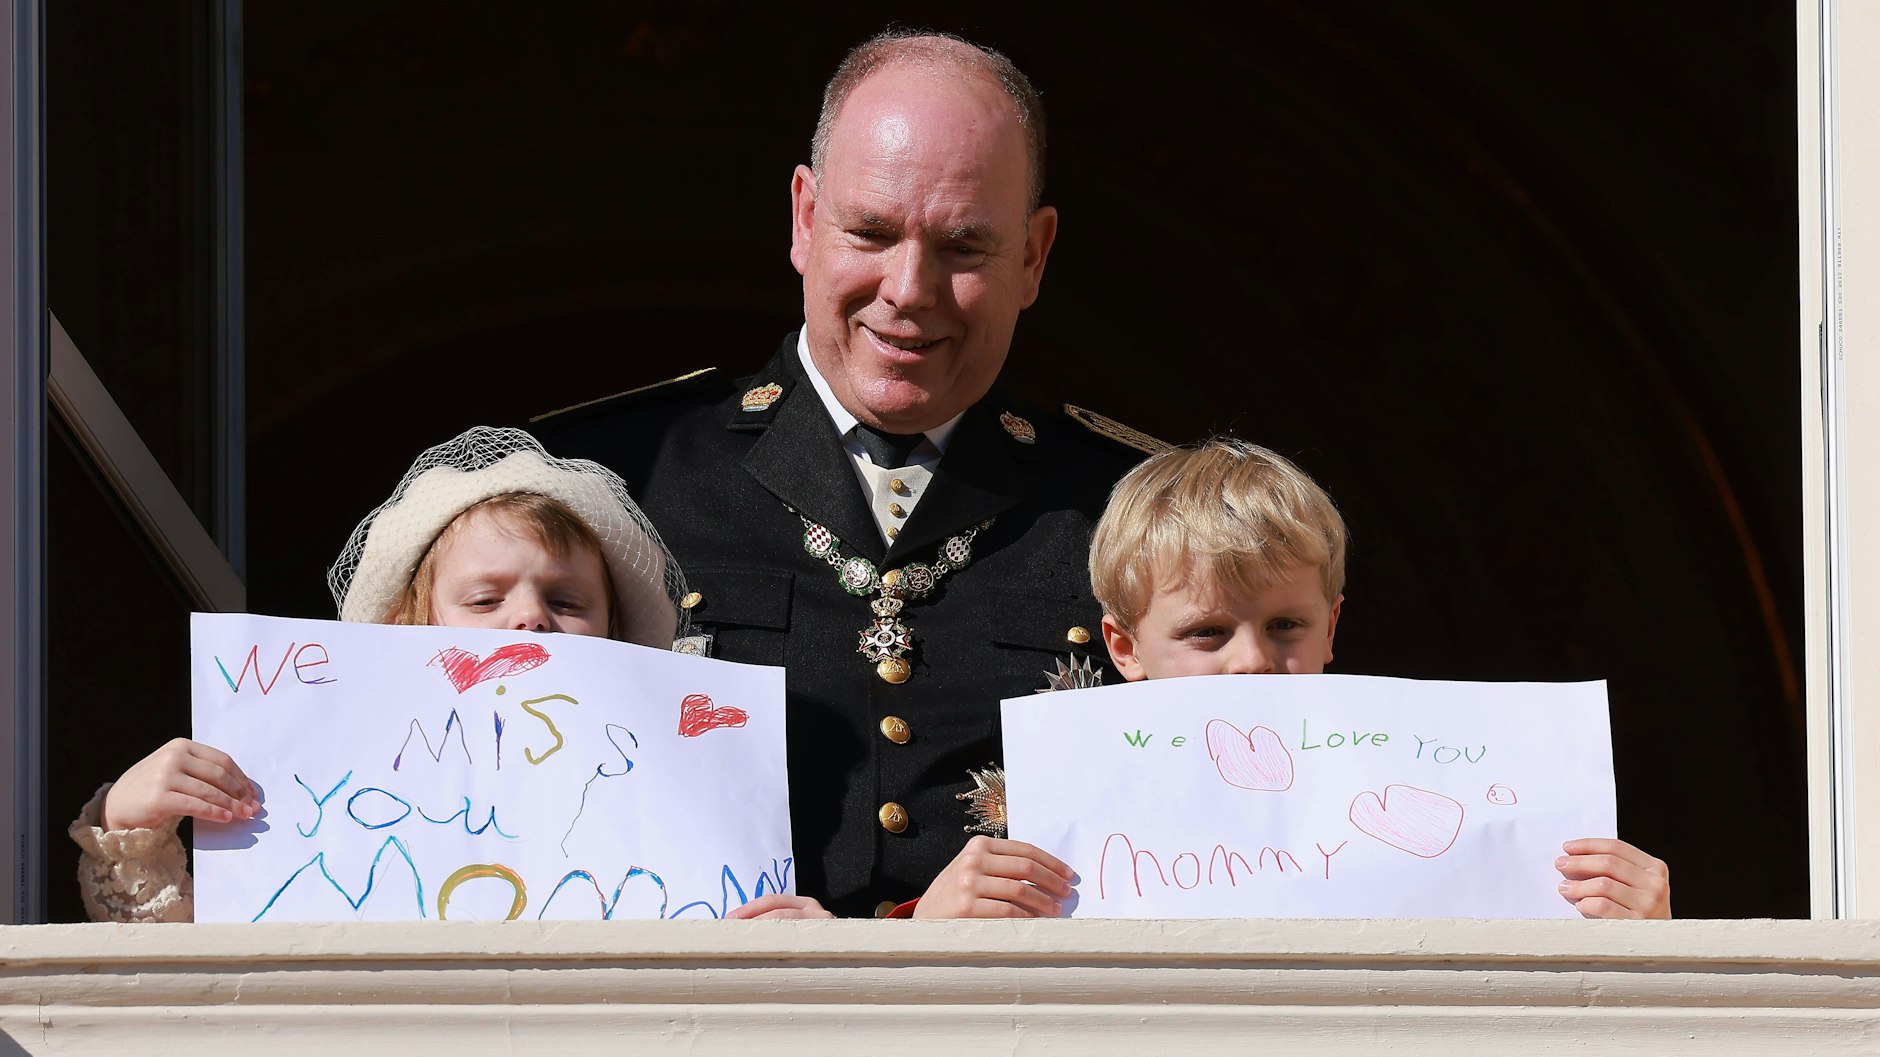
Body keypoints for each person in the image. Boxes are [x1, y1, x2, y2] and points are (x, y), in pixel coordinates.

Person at [535, 30, 1149, 918]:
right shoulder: (606, 481)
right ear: (803, 218)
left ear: (1033, 257)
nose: (908, 288)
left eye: (964, 248)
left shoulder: (1135, 512)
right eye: (870, 232)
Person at [70, 427, 831, 922]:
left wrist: (805, 948)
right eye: (484, 597)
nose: (529, 618)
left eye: (566, 600)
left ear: (620, 638)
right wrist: (132, 825)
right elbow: (187, 970)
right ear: (411, 626)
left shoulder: (683, 807)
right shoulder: (322, 795)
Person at [1084, 437, 1673, 919]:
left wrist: (1645, 934)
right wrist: (992, 926)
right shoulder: (1079, 823)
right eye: (1207, 632)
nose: (1252, 660)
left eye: (1286, 625)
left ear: (1331, 625)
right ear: (1125, 648)